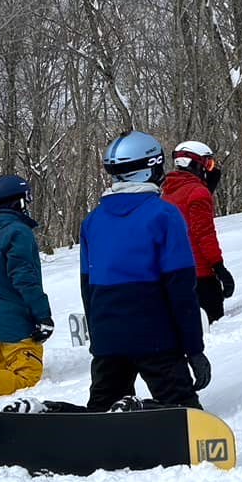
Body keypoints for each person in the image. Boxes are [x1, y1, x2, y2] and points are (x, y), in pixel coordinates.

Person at [80, 131, 211, 410]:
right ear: (151, 168)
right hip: (155, 337)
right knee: (182, 412)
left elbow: (87, 288)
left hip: (108, 338)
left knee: (100, 413)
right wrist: (194, 350)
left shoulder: (92, 221)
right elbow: (181, 289)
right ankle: (146, 416)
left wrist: (100, 341)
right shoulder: (164, 215)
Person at [0, 174, 54, 398]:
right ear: (19, 202)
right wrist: (43, 316)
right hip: (18, 325)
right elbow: (25, 279)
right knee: (27, 377)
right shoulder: (18, 232)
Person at [161, 140, 234, 325]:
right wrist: (220, 268)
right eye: (208, 164)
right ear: (195, 163)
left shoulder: (166, 193)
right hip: (201, 278)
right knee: (213, 328)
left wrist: (205, 190)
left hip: (174, 277)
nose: (210, 169)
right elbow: (204, 234)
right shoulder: (198, 193)